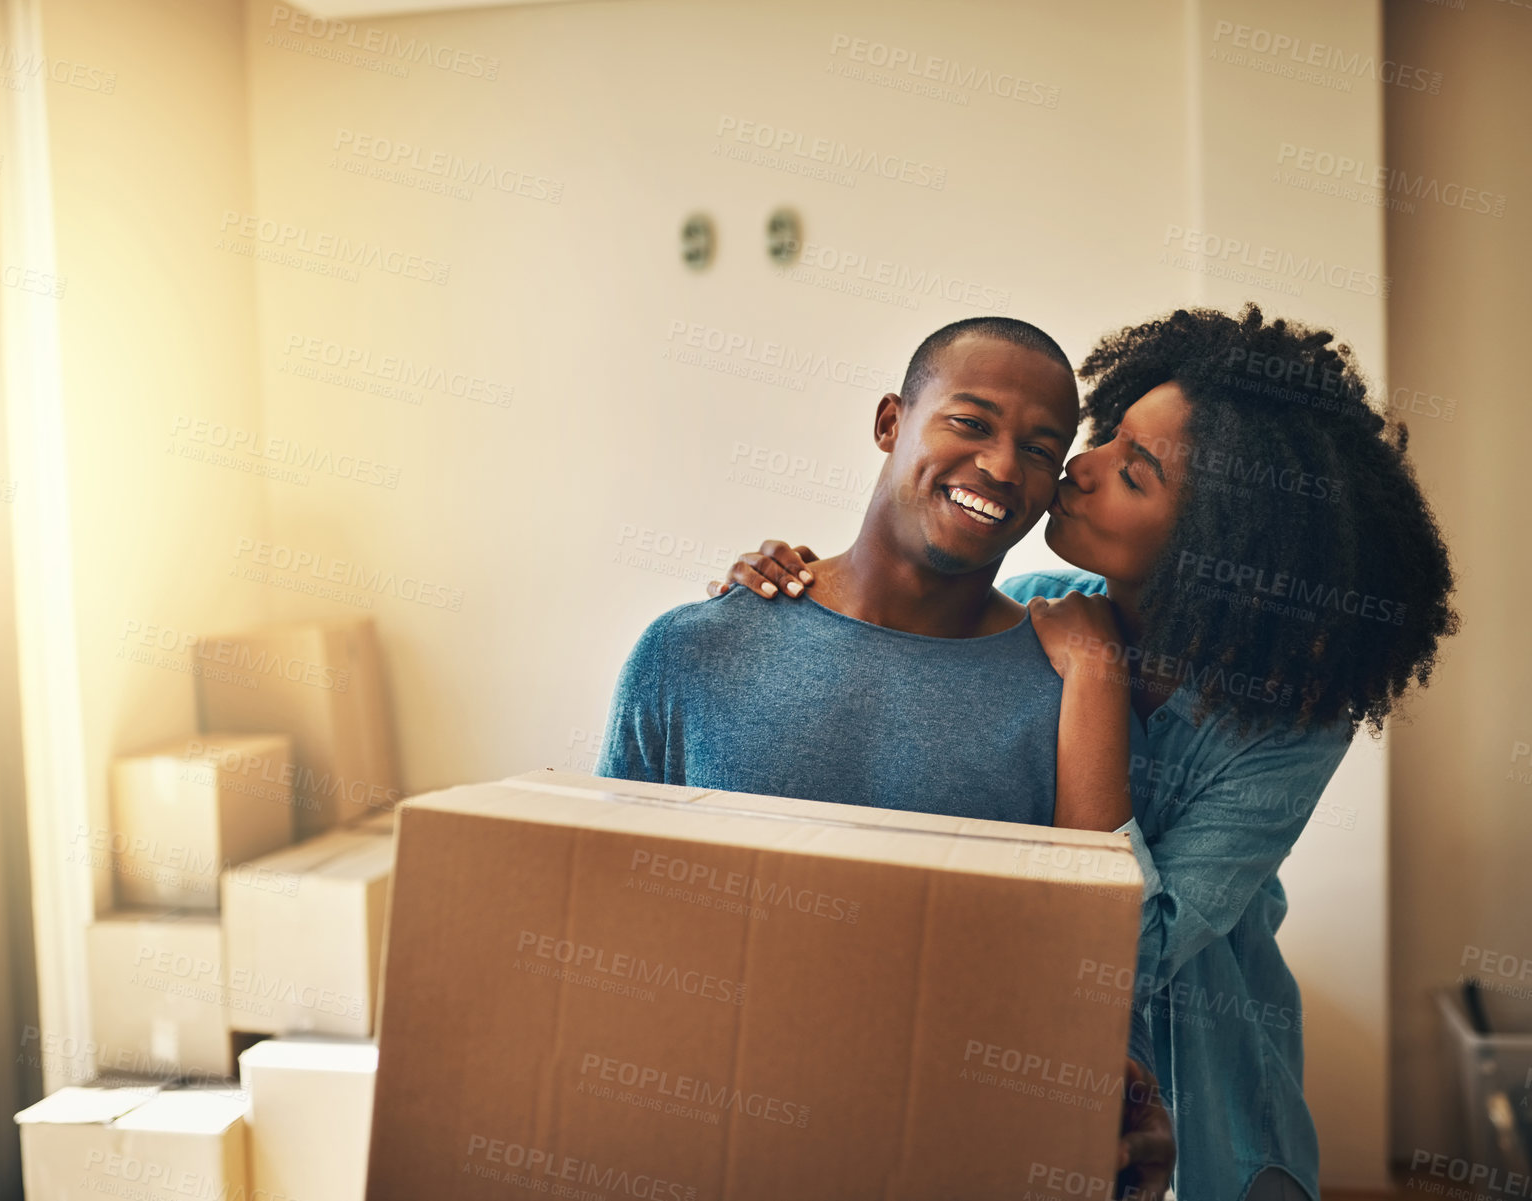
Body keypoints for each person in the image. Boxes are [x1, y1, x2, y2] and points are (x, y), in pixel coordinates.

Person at [710, 304, 1459, 1201]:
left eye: (1131, 474)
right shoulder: (1029, 603)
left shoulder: (1291, 724)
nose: (1077, 467)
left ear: (1209, 552)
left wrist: (1096, 683)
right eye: (1109, 440)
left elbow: (1122, 951)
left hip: (1206, 1081)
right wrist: (780, 591)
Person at [595, 316, 1175, 1199]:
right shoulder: (690, 652)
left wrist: (1122, 1106)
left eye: (1038, 448)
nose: (999, 465)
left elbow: (1084, 978)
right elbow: (609, 934)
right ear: (889, 422)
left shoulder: (1069, 698)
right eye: (971, 423)